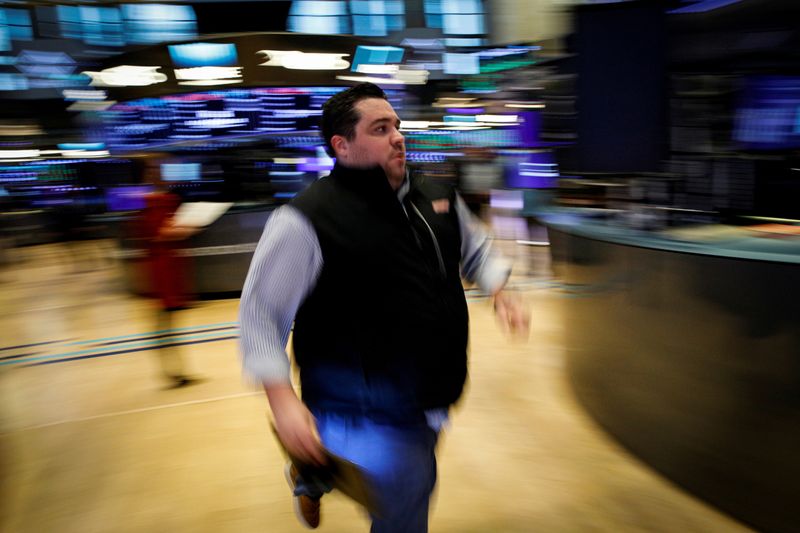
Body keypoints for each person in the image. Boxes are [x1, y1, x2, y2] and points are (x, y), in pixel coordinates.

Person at [239, 83, 528, 532]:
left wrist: (500, 289)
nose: (398, 136)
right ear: (343, 144)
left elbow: (476, 249)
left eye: (396, 125)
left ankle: (309, 473)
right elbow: (261, 314)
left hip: (432, 391)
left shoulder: (437, 196)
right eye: (380, 128)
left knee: (373, 470)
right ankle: (313, 470)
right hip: (362, 407)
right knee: (408, 501)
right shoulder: (306, 219)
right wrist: (282, 401)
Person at [138, 158, 200, 388]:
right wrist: (183, 229)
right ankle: (172, 372)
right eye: (155, 169)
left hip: (169, 270)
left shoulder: (163, 201)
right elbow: (161, 234)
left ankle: (176, 372)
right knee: (165, 326)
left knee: (169, 325)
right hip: (164, 273)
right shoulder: (155, 203)